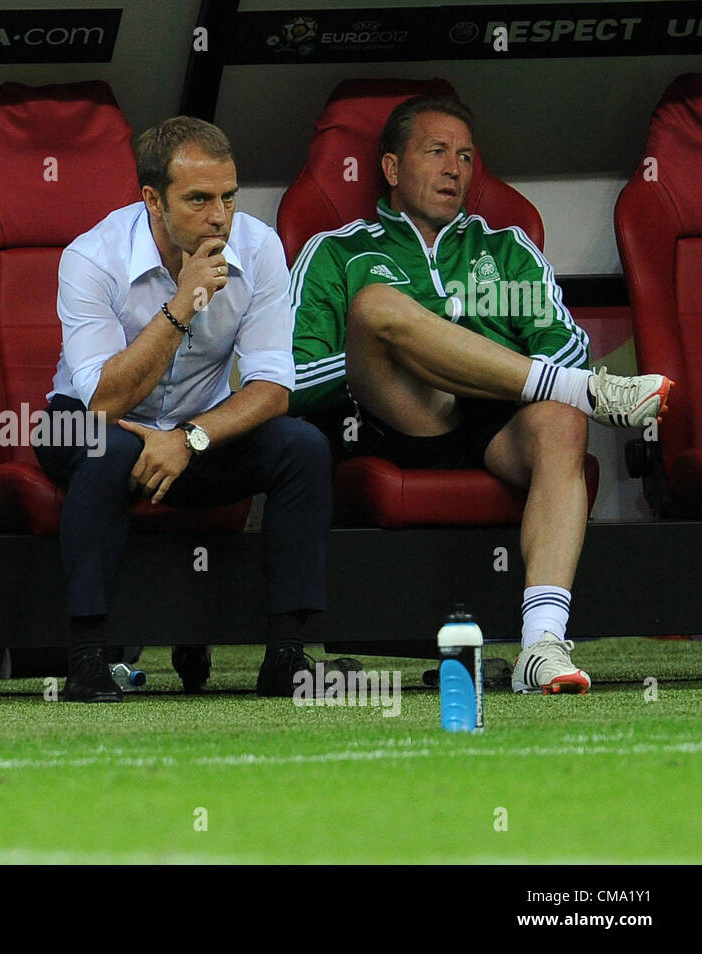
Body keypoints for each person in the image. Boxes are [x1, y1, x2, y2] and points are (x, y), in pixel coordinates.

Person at [289, 95, 673, 695]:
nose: (455, 169)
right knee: (379, 308)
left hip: (495, 425)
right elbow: (293, 380)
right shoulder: (339, 251)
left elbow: (565, 346)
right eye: (436, 152)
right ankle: (584, 394)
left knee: (565, 424)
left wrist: (474, 362)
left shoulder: (506, 249)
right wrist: (416, 350)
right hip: (398, 415)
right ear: (391, 169)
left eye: (466, 156)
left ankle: (541, 645)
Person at [36, 117, 332, 702]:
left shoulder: (259, 247)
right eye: (198, 199)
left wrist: (190, 437)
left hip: (194, 434)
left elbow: (273, 388)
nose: (219, 216)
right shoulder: (91, 257)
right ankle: (88, 656)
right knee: (109, 444)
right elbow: (103, 400)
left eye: (228, 196)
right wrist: (183, 303)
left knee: (303, 446)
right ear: (152, 200)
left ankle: (288, 656)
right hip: (83, 421)